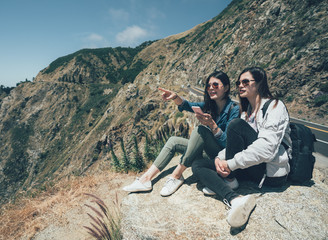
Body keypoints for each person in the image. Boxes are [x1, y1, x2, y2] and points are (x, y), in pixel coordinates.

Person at [192, 67, 291, 228]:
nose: (240, 85)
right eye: (238, 82)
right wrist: (220, 158)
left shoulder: (274, 106)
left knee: (235, 125)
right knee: (198, 165)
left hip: (269, 173)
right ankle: (235, 199)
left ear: (259, 84)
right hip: (249, 167)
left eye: (246, 81)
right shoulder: (247, 112)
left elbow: (267, 148)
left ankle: (228, 181)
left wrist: (230, 165)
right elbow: (235, 144)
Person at [123, 71, 240, 196]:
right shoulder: (210, 106)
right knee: (174, 141)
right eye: (208, 86)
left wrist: (212, 125)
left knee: (201, 130)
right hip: (208, 152)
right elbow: (187, 105)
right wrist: (174, 97)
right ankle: (146, 179)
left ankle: (177, 175)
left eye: (215, 85)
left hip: (221, 156)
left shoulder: (234, 109)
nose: (211, 88)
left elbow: (228, 143)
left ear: (226, 87)